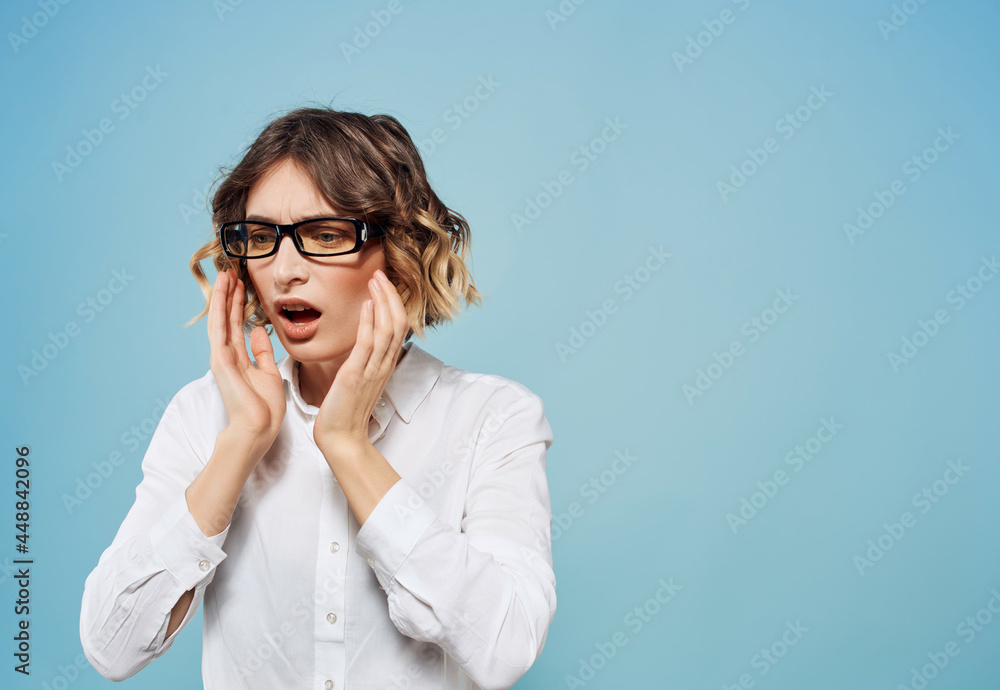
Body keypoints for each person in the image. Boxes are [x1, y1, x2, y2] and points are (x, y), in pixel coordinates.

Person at [78, 106, 556, 690]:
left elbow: (505, 646)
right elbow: (110, 647)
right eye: (260, 238)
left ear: (400, 255)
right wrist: (240, 443)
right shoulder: (205, 416)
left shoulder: (492, 417)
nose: (283, 271)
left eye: (324, 235)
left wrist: (348, 446)